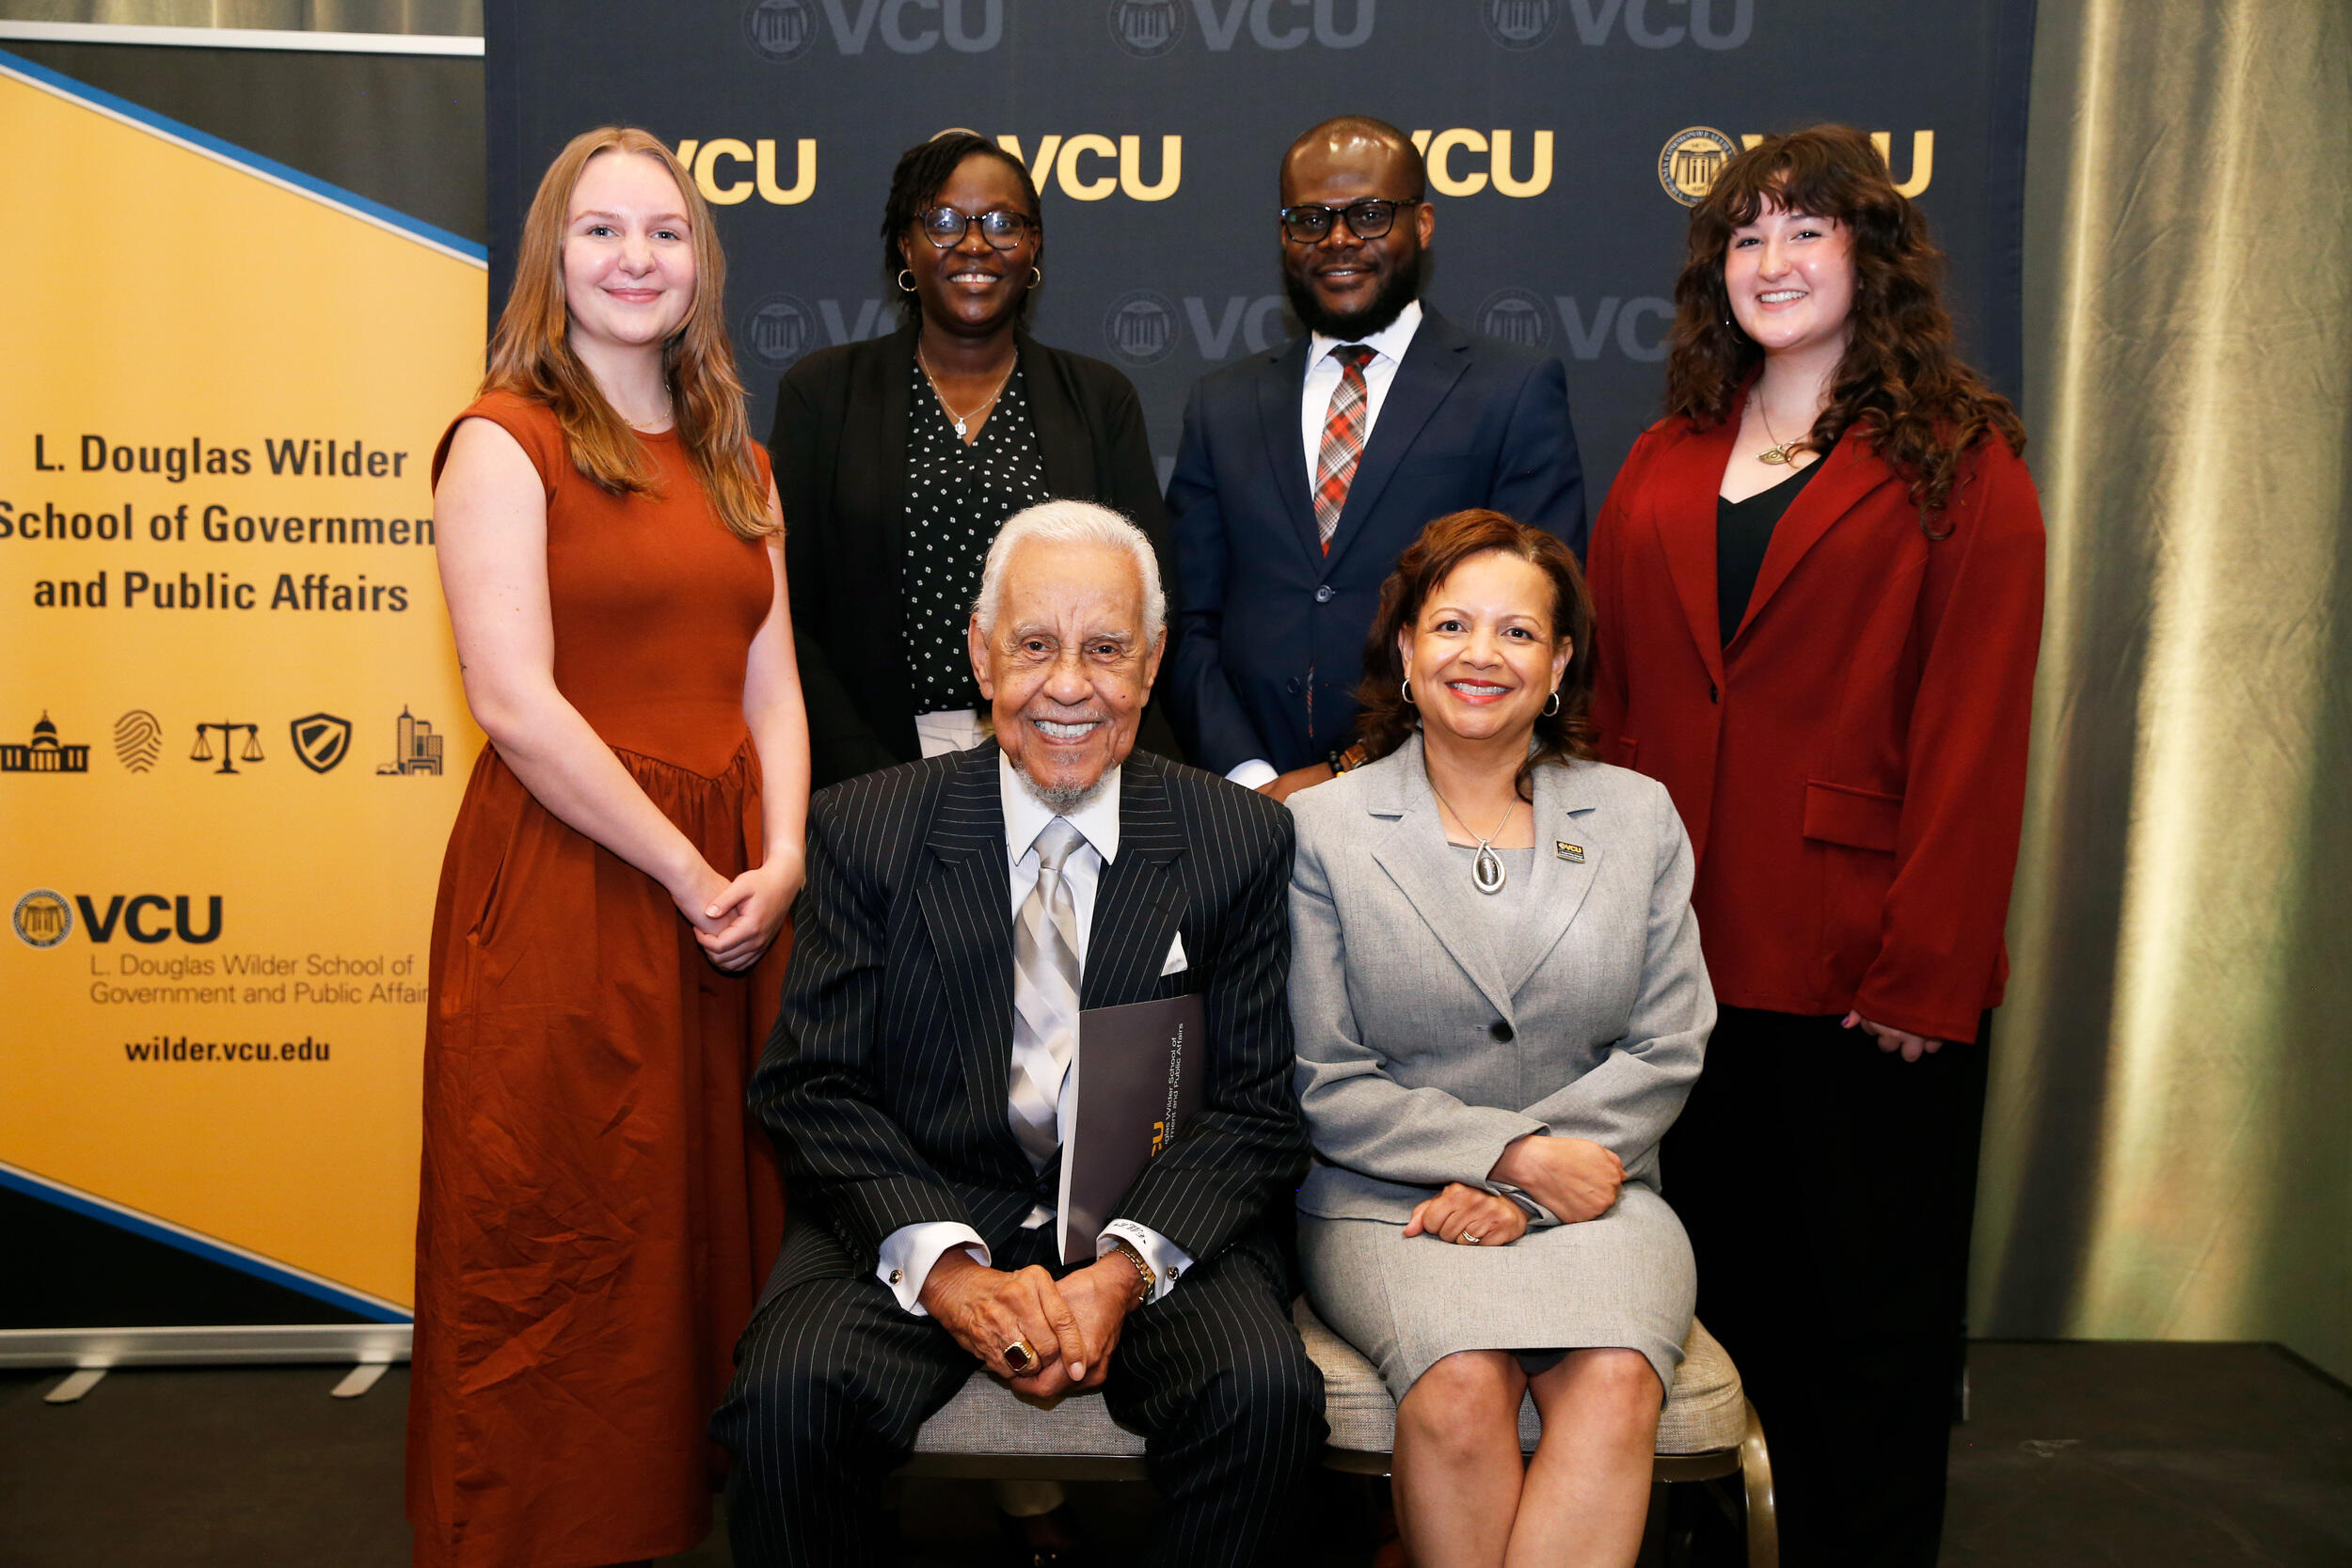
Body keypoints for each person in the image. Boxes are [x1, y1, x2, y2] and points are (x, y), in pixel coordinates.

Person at [1586, 125, 2045, 1567]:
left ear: (1872, 257)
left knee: (1867, 1336)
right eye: (1745, 236)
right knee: (1701, 1320)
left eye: (1805, 230)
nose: (1771, 261)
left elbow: (1977, 732)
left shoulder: (1962, 461)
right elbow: (1608, 707)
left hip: (1862, 977)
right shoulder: (1663, 458)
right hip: (1673, 974)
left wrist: (1929, 971)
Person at [712, 500, 1324, 1567]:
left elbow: (1256, 1109)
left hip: (1148, 1216)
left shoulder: (1239, 836)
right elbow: (810, 1088)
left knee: (1263, 1394)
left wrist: (1122, 1269)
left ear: (1153, 662)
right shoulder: (868, 826)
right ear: (981, 653)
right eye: (1035, 645)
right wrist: (949, 1270)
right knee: (786, 1397)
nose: (1069, 686)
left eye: (1106, 649)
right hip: (924, 1201)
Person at [408, 127, 808, 1568]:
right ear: (553, 258)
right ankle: (547, 1525)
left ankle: (678, 1504)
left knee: (707, 1218)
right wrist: (692, 873)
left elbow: (773, 683)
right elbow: (516, 703)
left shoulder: (739, 457)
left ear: (701, 262)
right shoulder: (501, 440)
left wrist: (783, 856)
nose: (636, 257)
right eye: (602, 231)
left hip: (733, 886)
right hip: (578, 880)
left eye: (665, 232)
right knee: (566, 1216)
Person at [1289, 510, 1711, 1568]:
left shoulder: (1639, 817)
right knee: (1461, 1383)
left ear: (1560, 661)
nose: (1482, 655)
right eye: (1452, 625)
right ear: (1405, 646)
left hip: (1602, 1191)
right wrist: (1510, 1154)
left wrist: (1532, 1184)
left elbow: (1667, 1044)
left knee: (1615, 1378)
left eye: (1518, 632)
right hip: (1390, 1201)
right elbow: (1324, 1079)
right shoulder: (1321, 828)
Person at [1166, 115, 1585, 801]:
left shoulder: (1512, 391)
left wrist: (1349, 771)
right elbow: (1189, 624)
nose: (1338, 240)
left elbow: (1532, 622)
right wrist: (1252, 779)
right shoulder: (1223, 403)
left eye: (1368, 215)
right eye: (1310, 220)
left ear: (1422, 223)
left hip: (1436, 798)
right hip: (1244, 802)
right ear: (1284, 235)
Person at [777, 130, 1178, 790]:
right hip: (867, 765)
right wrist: (867, 776)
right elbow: (785, 614)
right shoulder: (822, 395)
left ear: (1033, 245)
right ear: (904, 244)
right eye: (943, 222)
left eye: (1001, 223)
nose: (974, 244)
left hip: (1062, 745)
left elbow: (1147, 603)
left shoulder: (1099, 399)